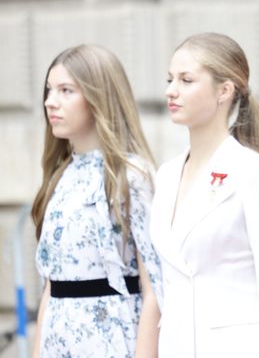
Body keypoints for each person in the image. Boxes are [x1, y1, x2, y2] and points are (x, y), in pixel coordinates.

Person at [149, 32, 259, 357]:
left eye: (186, 80)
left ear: (224, 91)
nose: (170, 90)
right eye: (170, 79)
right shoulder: (166, 175)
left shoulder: (256, 174)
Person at [31, 44, 162, 357]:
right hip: (57, 342)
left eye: (66, 90)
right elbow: (52, 285)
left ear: (98, 97)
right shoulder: (60, 176)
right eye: (49, 90)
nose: (51, 102)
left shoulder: (131, 176)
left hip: (111, 340)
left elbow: (154, 287)